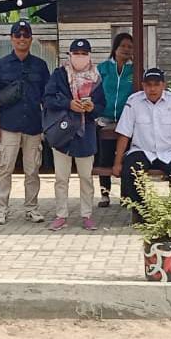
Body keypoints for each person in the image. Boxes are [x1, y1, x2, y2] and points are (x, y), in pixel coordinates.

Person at [0, 20, 51, 225]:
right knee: (5, 168)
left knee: (32, 169)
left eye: (25, 35)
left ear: (31, 39)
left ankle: (31, 209)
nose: (21, 39)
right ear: (11, 38)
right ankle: (1, 209)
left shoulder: (40, 66)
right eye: (18, 35)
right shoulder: (1, 65)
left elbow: (47, 98)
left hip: (33, 125)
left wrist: (47, 124)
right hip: (9, 125)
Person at [113, 68, 171, 224]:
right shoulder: (133, 101)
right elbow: (124, 133)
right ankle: (140, 211)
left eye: (156, 84)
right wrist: (117, 163)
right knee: (131, 169)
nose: (152, 89)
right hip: (142, 149)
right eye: (148, 85)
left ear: (164, 85)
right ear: (143, 85)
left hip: (169, 151)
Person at [43, 39, 106, 231]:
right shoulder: (59, 74)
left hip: (85, 132)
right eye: (76, 53)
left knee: (86, 177)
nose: (80, 57)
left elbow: (103, 105)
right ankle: (61, 215)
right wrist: (68, 104)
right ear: (69, 55)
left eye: (84, 53)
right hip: (63, 132)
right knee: (61, 178)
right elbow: (47, 98)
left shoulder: (96, 78)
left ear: (89, 55)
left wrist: (92, 107)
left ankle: (86, 215)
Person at [95, 32, 135, 208]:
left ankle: (126, 195)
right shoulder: (103, 68)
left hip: (126, 120)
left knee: (126, 157)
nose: (126, 49)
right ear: (115, 48)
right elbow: (94, 90)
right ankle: (105, 194)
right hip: (105, 118)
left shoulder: (135, 70)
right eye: (123, 46)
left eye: (129, 46)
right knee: (105, 156)